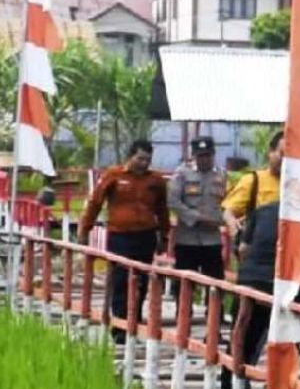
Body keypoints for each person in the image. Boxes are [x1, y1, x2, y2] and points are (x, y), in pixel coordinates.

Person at [79, 139, 170, 342]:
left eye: (147, 159)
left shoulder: (156, 181)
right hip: (120, 236)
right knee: (121, 281)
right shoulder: (113, 176)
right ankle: (120, 327)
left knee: (143, 281)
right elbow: (95, 203)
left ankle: (134, 322)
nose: (143, 163)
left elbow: (162, 210)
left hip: (145, 236)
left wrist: (164, 235)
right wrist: (85, 229)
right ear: (130, 157)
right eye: (140, 159)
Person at [219, 200, 280, 389]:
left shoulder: (262, 211)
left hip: (251, 280)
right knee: (287, 346)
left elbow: (243, 248)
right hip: (283, 287)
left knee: (240, 339)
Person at [168, 136, 227, 297]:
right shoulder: (182, 173)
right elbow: (173, 201)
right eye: (200, 155)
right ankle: (183, 317)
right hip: (187, 238)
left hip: (212, 239)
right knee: (184, 284)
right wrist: (196, 217)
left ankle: (215, 317)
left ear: (213, 154)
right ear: (193, 155)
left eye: (208, 155)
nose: (204, 159)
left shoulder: (222, 175)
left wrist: (221, 219)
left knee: (215, 283)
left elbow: (229, 202)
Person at [222, 131, 283, 255]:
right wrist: (237, 233)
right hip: (257, 254)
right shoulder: (254, 180)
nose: (285, 160)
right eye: (282, 154)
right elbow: (228, 212)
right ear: (270, 152)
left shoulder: (299, 186)